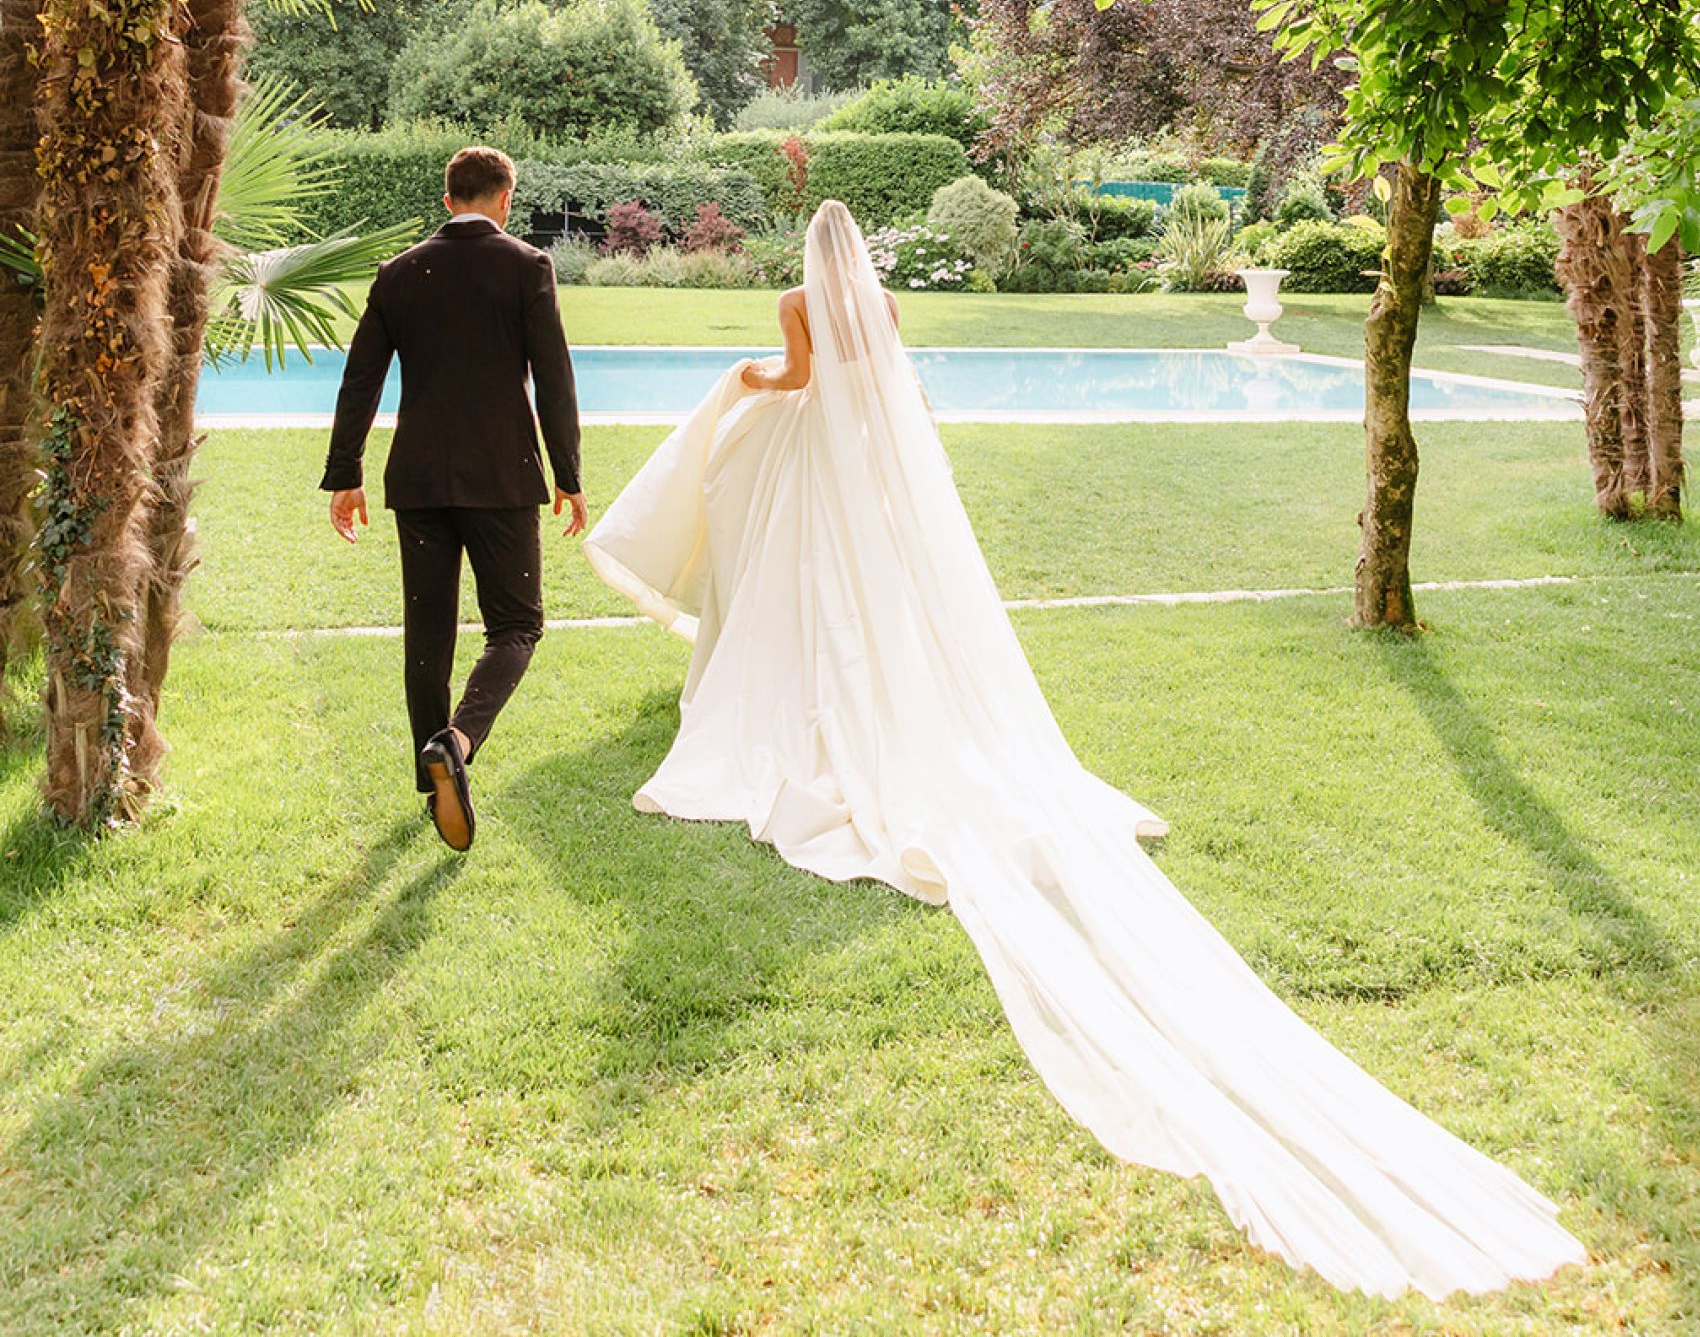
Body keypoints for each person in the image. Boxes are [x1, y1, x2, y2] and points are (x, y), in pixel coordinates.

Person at [585, 199, 1586, 1302]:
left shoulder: (792, 301)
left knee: (805, 591)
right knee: (884, 609)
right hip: (866, 467)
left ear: (810, 258)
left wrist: (741, 379)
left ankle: (807, 699)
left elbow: (795, 381)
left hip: (818, 465)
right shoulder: (888, 301)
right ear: (862, 252)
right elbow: (881, 391)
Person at [322, 144, 586, 852]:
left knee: (428, 632)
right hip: (502, 477)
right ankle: (456, 744)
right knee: (517, 626)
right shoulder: (528, 265)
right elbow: (554, 379)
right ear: (505, 199)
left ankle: (430, 778)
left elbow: (360, 382)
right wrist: (569, 474)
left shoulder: (399, 273)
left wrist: (345, 471)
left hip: (419, 479)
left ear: (447, 200)